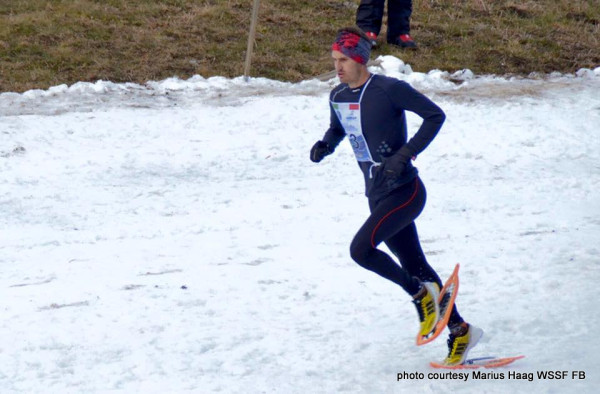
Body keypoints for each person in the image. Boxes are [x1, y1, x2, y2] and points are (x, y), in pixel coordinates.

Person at [310, 27, 482, 365]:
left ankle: (419, 294)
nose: (338, 67)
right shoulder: (338, 96)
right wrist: (326, 145)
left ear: (360, 58)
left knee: (361, 250)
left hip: (405, 191)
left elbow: (435, 116)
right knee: (415, 263)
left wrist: (406, 154)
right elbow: (339, 128)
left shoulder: (389, 90)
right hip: (376, 193)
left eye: (343, 60)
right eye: (334, 60)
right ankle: (461, 331)